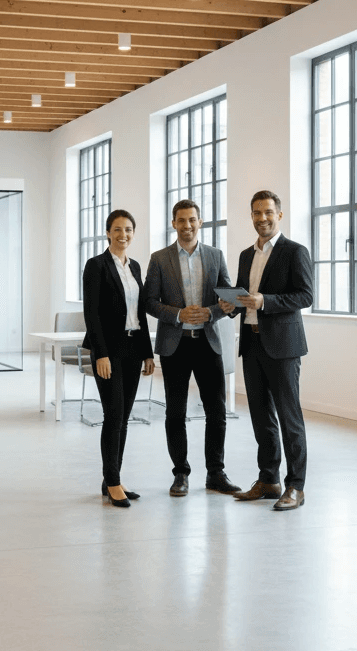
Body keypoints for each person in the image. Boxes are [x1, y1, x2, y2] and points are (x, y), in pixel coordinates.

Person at [218, 190, 313, 511]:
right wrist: (230, 305)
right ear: (252, 216)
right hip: (252, 343)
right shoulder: (247, 255)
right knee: (261, 418)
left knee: (289, 418)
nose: (262, 218)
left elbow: (304, 296)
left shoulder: (295, 251)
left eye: (268, 213)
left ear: (279, 215)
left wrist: (266, 301)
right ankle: (269, 479)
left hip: (284, 347)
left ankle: (296, 486)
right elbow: (245, 299)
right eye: (257, 213)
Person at [145, 199, 241, 497]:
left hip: (208, 343)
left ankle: (216, 473)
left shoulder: (215, 256)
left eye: (192, 220)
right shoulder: (159, 259)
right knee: (175, 412)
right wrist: (177, 314)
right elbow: (148, 302)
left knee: (217, 412)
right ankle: (181, 474)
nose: (187, 225)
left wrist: (212, 312)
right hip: (175, 346)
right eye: (181, 220)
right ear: (173, 223)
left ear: (200, 222)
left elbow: (231, 299)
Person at [82, 209, 155, 508]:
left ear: (133, 233)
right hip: (109, 352)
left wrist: (148, 352)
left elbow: (140, 312)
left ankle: (113, 477)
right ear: (107, 232)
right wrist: (101, 354)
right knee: (113, 416)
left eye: (127, 229)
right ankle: (112, 482)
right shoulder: (96, 265)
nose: (122, 234)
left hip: (134, 349)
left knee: (123, 417)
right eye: (117, 229)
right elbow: (92, 313)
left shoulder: (135, 267)